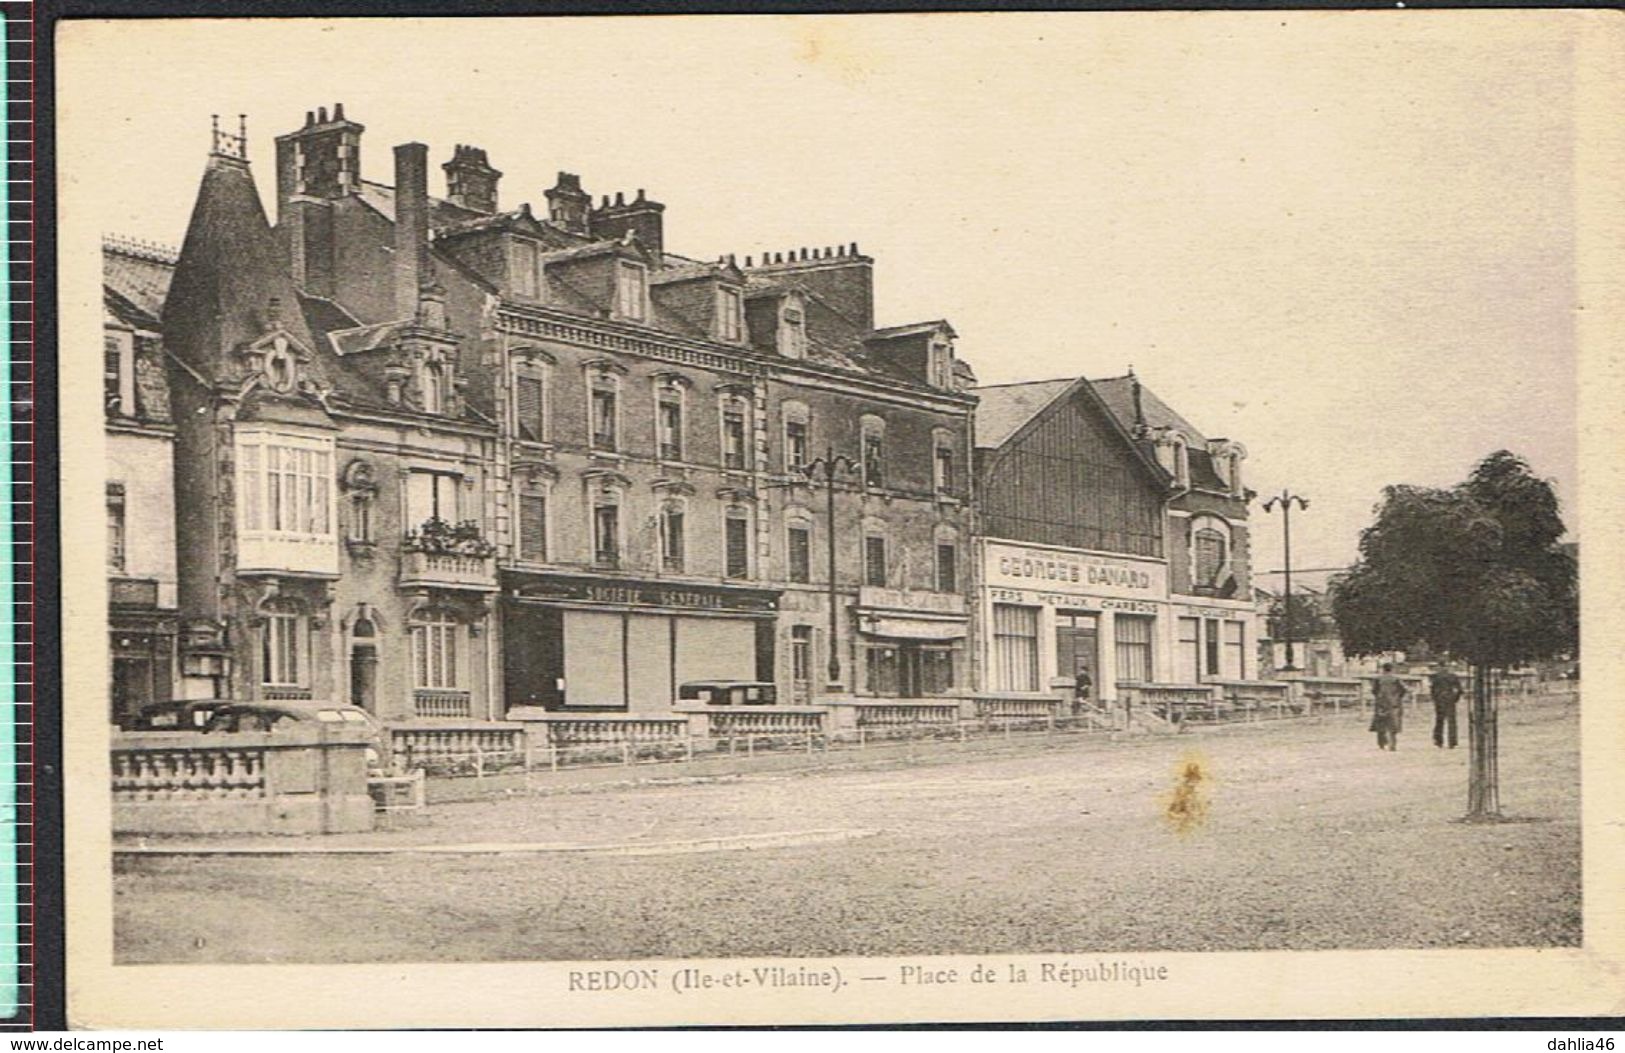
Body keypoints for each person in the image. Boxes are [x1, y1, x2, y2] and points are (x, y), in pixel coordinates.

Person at [1370, 663, 1407, 751]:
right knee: (1393, 724)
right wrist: (1398, 697)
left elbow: (1374, 690)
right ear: (1392, 669)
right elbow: (1404, 690)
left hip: (1381, 703)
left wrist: (1378, 697)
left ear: (1383, 669)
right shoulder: (1396, 679)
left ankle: (1381, 743)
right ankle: (1393, 744)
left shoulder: (1378, 679)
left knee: (1381, 723)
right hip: (1394, 703)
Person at [1429, 667, 1463, 749]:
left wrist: (1435, 699)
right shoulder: (1453, 676)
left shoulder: (1436, 677)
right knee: (1451, 721)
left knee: (1439, 720)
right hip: (1450, 698)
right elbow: (1460, 690)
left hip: (1439, 699)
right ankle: (1452, 741)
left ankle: (1438, 740)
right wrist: (1455, 698)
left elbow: (1432, 690)